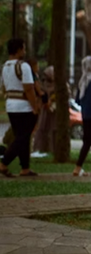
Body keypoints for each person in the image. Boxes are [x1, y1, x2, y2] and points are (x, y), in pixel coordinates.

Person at [0, 38, 40, 177]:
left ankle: (25, 168)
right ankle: (4, 163)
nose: (25, 51)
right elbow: (28, 88)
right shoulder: (23, 66)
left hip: (11, 105)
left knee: (21, 136)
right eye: (23, 48)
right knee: (23, 137)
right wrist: (35, 106)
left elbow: (3, 87)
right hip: (24, 106)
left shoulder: (5, 66)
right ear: (18, 50)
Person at [32, 65, 56, 154]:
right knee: (42, 129)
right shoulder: (43, 86)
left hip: (54, 112)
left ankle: (52, 149)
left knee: (53, 130)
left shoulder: (59, 86)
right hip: (44, 110)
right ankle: (40, 148)